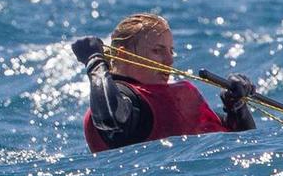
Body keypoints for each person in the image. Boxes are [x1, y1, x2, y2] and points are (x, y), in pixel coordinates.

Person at [71, 13, 255, 153]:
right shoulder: (124, 102)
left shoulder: (172, 96)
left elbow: (243, 142)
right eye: (157, 51)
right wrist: (95, 60)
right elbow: (110, 118)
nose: (169, 60)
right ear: (122, 55)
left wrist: (237, 107)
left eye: (171, 51)